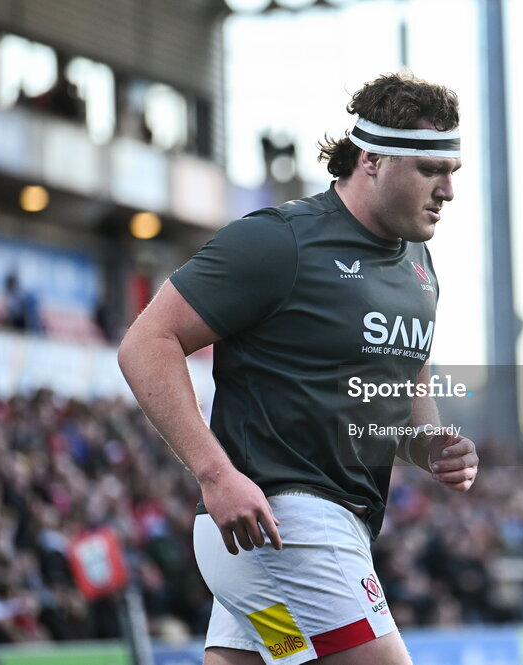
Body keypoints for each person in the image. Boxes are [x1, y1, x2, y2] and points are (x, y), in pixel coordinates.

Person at [119, 72, 479, 665]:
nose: (447, 190)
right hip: (291, 526)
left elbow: (407, 379)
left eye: (452, 172)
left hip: (270, 554)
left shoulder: (419, 264)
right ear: (371, 159)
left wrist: (429, 444)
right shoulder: (278, 242)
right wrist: (214, 474)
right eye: (429, 170)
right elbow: (146, 342)